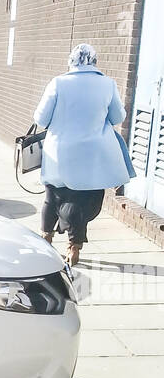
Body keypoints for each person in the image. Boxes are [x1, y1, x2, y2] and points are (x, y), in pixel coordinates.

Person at [33, 43, 132, 267]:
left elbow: (41, 119)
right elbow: (117, 118)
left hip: (59, 153)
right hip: (92, 157)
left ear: (71, 62)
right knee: (81, 201)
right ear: (95, 62)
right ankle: (74, 247)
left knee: (52, 198)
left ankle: (46, 239)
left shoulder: (58, 83)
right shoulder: (108, 84)